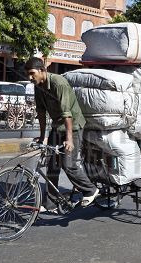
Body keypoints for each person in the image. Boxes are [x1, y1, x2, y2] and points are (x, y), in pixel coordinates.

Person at [24, 57, 99, 210]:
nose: (30, 78)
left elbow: (67, 114)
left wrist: (69, 139)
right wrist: (42, 135)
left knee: (68, 164)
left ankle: (90, 190)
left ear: (42, 71)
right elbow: (41, 112)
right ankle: (51, 204)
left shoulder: (59, 83)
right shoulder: (38, 86)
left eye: (32, 73)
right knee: (52, 166)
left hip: (74, 127)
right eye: (28, 74)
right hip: (57, 127)